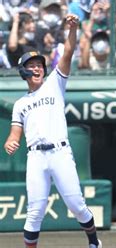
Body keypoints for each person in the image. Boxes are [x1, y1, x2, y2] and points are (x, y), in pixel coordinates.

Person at [3, 14, 102, 248]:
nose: (37, 68)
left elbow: (67, 52)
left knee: (76, 205)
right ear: (24, 71)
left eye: (39, 65)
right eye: (32, 66)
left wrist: (72, 30)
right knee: (34, 211)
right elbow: (15, 133)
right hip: (36, 156)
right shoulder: (20, 104)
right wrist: (10, 141)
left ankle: (94, 242)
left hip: (59, 152)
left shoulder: (54, 85)